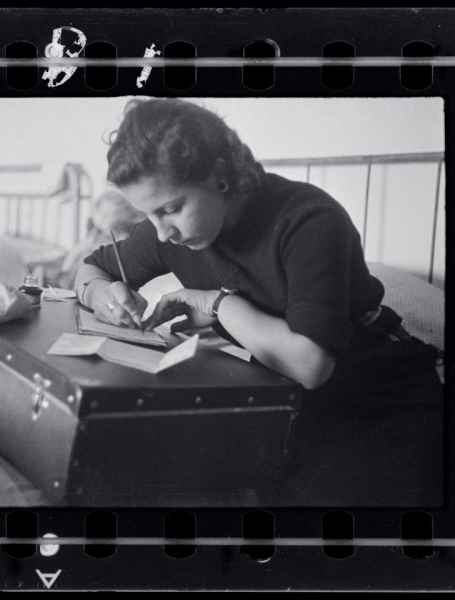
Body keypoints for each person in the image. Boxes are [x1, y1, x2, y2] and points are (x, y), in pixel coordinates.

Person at [74, 98, 443, 504]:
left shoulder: (309, 219)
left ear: (220, 176)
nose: (163, 233)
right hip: (280, 393)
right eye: (148, 214)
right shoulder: (167, 232)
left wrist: (217, 304)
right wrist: (103, 296)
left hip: (374, 392)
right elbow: (91, 268)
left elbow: (312, 365)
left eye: (172, 208)